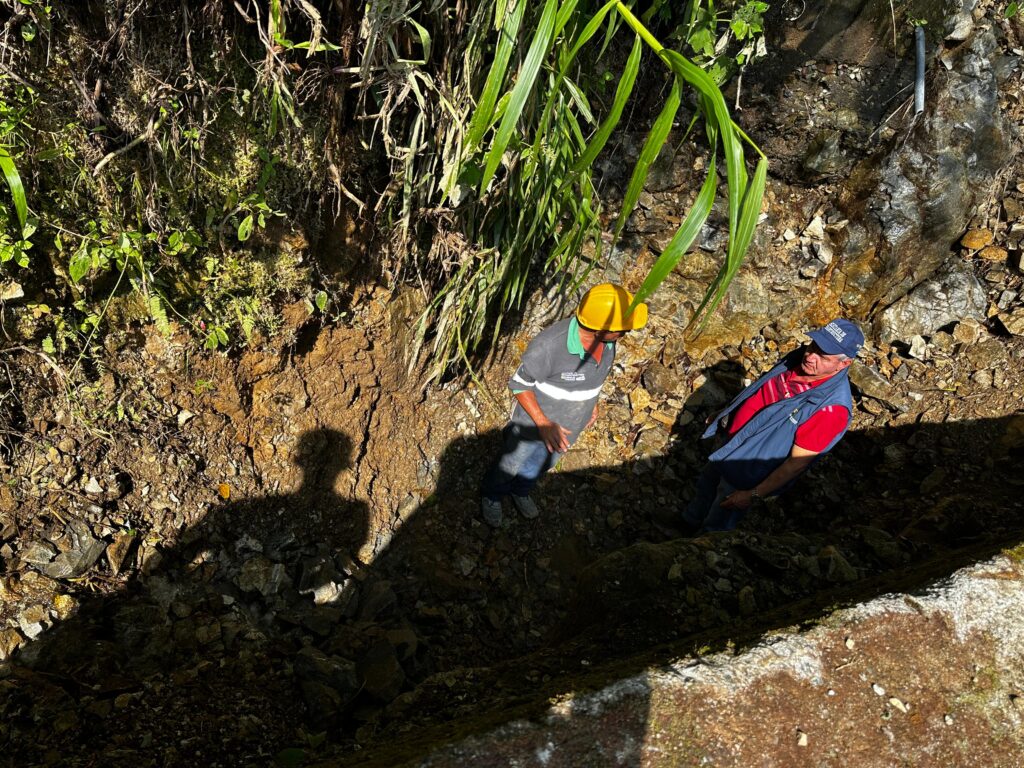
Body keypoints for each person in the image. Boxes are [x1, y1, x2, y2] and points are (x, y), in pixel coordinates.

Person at [480, 283, 649, 527]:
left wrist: (593, 402)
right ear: (600, 328)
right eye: (622, 329)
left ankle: (521, 491)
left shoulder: (609, 342)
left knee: (545, 463)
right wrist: (544, 423)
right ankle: (492, 496)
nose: (627, 333)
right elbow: (519, 384)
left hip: (571, 425)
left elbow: (596, 375)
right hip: (534, 425)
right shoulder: (550, 346)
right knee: (512, 462)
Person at [682, 318, 864, 533]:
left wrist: (753, 494)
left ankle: (697, 549)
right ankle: (687, 523)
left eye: (823, 356)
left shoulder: (831, 410)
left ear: (844, 363)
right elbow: (759, 390)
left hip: (747, 471)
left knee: (719, 516)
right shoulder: (797, 359)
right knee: (705, 487)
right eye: (813, 346)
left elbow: (796, 463)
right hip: (730, 444)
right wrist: (726, 412)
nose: (811, 356)